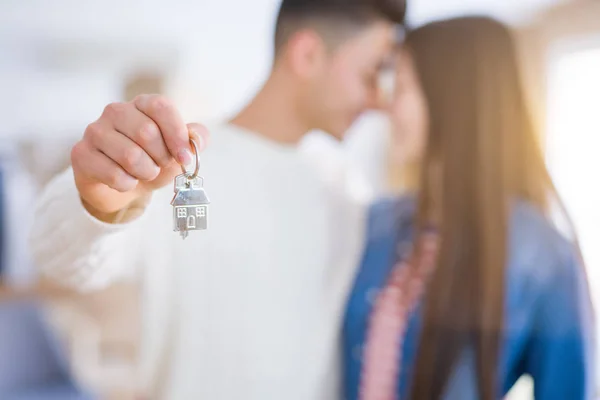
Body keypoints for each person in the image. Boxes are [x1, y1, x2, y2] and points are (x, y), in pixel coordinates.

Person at [30, 0, 406, 399]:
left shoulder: (350, 193)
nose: (380, 100)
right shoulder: (174, 161)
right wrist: (94, 203)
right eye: (372, 74)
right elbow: (59, 259)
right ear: (308, 54)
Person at [343, 16, 595, 400]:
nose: (387, 106)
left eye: (404, 87)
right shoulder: (376, 223)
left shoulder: (542, 256)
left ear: (453, 99)